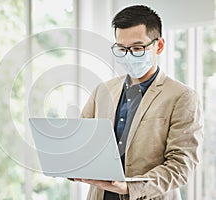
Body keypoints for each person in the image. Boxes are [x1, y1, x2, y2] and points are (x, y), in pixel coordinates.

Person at [74, 5, 204, 200]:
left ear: (159, 46)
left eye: (137, 48)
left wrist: (130, 187)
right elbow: (81, 142)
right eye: (122, 48)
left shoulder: (182, 97)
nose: (128, 55)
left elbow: (181, 166)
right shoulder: (103, 91)